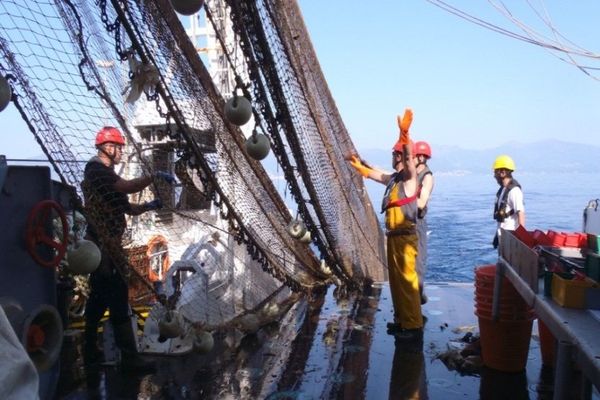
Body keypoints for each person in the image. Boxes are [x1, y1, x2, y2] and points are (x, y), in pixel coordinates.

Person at [81, 126, 175, 372]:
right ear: (108, 148)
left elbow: (128, 208)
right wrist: (154, 176)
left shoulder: (105, 175)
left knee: (98, 300)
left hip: (106, 247)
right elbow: (127, 187)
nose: (121, 152)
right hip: (103, 247)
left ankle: (90, 352)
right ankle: (130, 360)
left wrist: (149, 206)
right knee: (119, 297)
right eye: (119, 147)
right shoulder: (97, 171)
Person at [347, 109, 423, 340]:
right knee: (397, 284)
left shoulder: (410, 178)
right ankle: (401, 321)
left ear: (399, 156)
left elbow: (410, 160)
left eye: (394, 153)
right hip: (393, 237)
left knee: (408, 282)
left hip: (406, 238)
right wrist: (359, 167)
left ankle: (413, 327)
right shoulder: (393, 180)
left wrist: (405, 135)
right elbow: (374, 175)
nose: (392, 156)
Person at [413, 141, 434, 305]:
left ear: (421, 157)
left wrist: (403, 201)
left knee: (418, 261)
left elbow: (422, 202)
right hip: (407, 223)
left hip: (418, 222)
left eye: (413, 156)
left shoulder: (427, 177)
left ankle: (419, 295)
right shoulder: (411, 174)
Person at [492, 154, 525, 249]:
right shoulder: (503, 190)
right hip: (503, 235)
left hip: (510, 237)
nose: (494, 176)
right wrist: (496, 235)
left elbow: (521, 213)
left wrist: (521, 239)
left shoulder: (514, 191)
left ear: (502, 172)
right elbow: (502, 218)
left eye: (495, 172)